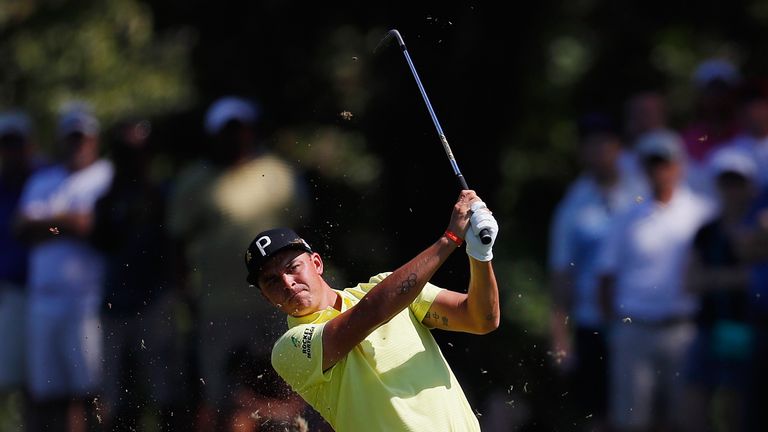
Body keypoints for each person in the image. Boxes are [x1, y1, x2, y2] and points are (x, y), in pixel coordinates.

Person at [245, 190, 500, 432]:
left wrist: (480, 255)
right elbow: (371, 313)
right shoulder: (288, 349)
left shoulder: (389, 288)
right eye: (272, 281)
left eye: (292, 267)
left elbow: (481, 320)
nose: (287, 283)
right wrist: (450, 239)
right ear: (266, 297)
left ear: (317, 263)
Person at [166, 96, 309, 431]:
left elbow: (304, 234)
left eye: (240, 128)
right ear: (214, 135)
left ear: (252, 131)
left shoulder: (279, 174)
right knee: (220, 399)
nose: (235, 137)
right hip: (218, 309)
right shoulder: (194, 181)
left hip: (279, 305)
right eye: (227, 130)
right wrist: (185, 297)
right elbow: (176, 245)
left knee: (291, 392)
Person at [597, 130, 715, 432]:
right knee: (631, 421)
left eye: (665, 163)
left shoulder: (701, 213)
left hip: (683, 330)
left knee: (684, 419)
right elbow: (606, 276)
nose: (659, 171)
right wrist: (613, 328)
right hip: (634, 327)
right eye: (653, 164)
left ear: (679, 166)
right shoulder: (627, 217)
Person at [16, 106, 114, 431]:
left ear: (94, 139)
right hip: (43, 299)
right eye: (71, 138)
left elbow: (88, 226)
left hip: (85, 299)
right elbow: (21, 228)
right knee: (46, 391)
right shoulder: (43, 179)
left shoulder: (105, 176)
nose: (77, 145)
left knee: (89, 389)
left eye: (82, 138)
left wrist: (47, 223)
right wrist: (66, 223)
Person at [548, 113, 643, 430]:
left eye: (606, 143)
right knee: (597, 414)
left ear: (618, 147)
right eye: (591, 144)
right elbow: (561, 274)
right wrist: (561, 337)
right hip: (592, 323)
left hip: (640, 320)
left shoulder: (640, 189)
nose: (599, 151)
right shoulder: (573, 204)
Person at [90, 119, 183, 430]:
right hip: (116, 305)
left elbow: (175, 246)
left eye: (140, 151)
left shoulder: (164, 195)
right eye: (126, 152)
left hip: (155, 302)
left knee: (165, 392)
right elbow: (101, 242)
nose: (134, 159)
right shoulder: (107, 200)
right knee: (117, 397)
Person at [683, 148, 758, 432]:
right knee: (695, 401)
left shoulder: (759, 229)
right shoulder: (707, 231)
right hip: (709, 325)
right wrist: (736, 278)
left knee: (736, 407)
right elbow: (690, 282)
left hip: (749, 328)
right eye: (727, 183)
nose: (732, 191)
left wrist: (714, 278)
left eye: (738, 183)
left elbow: (755, 280)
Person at [0, 110, 41, 427]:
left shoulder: (48, 180)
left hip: (48, 295)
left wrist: (40, 225)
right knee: (10, 380)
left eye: (18, 144)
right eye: (7, 145)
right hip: (10, 293)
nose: (12, 151)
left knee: (44, 387)